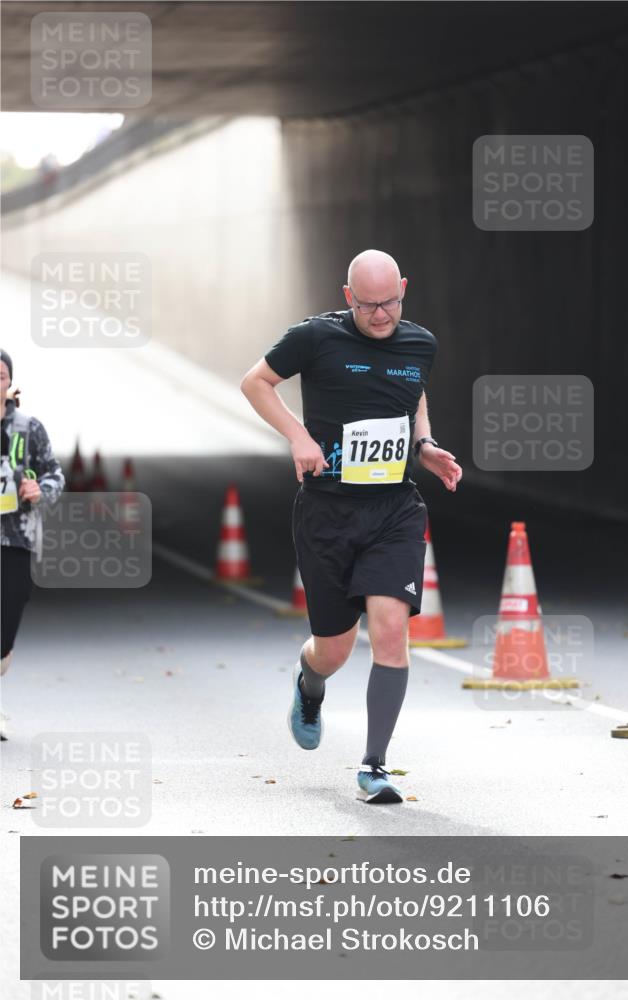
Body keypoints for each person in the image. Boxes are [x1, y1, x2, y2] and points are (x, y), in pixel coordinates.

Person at [240, 250, 462, 803]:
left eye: (390, 302)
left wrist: (424, 444)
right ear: (348, 297)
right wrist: (298, 435)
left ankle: (375, 766)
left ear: (403, 290)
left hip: (394, 511)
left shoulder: (420, 343)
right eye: (368, 305)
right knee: (333, 649)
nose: (382, 314)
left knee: (390, 630)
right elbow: (256, 383)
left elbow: (413, 395)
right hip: (327, 513)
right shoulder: (314, 337)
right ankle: (309, 684)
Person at [0, 349, 65, 738]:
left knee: (4, 632)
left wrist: (39, 489)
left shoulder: (28, 427)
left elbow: (55, 474)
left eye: (0, 375)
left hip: (15, 538)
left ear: (9, 383)